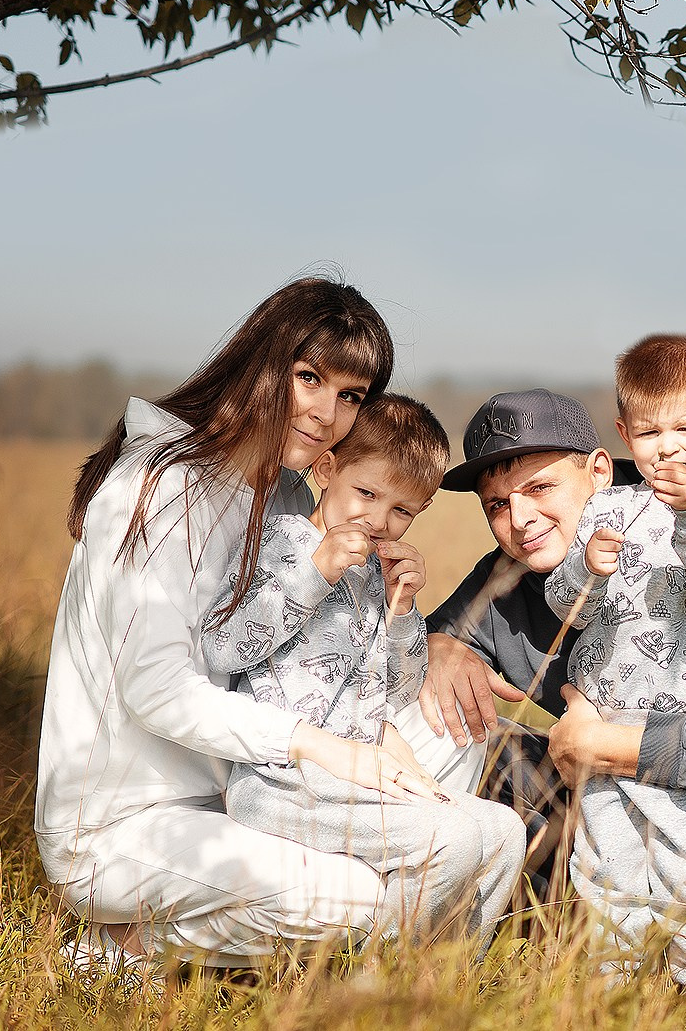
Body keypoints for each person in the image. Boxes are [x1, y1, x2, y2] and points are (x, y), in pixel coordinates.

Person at [36, 278, 519, 970]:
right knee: (356, 901)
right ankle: (123, 946)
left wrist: (419, 633)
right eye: (309, 377)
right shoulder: (160, 487)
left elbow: (330, 659)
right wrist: (318, 746)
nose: (326, 412)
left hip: (250, 777)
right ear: (263, 363)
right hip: (131, 821)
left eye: (350, 395)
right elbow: (159, 692)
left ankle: (409, 947)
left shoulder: (289, 486)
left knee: (458, 722)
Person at [394, 387, 686, 934]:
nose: (520, 519)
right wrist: (440, 646)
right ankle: (574, 930)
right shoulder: (511, 570)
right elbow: (439, 633)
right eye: (496, 503)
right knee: (470, 745)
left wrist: (612, 748)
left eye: (540, 488)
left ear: (597, 472)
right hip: (607, 809)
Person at [203, 393, 524, 947]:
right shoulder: (278, 544)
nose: (380, 520)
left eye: (402, 510)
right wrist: (316, 571)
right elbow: (224, 649)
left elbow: (397, 694)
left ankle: (442, 978)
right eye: (367, 494)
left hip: (358, 774)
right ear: (328, 469)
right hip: (279, 780)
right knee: (448, 839)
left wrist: (402, 613)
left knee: (502, 831)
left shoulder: (378, 574)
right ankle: (379, 979)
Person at [545, 336, 686, 983]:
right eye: (649, 431)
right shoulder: (604, 510)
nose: (667, 446)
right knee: (609, 872)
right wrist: (586, 569)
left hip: (680, 734)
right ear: (623, 433)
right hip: (605, 722)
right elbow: (566, 607)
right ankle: (616, 991)